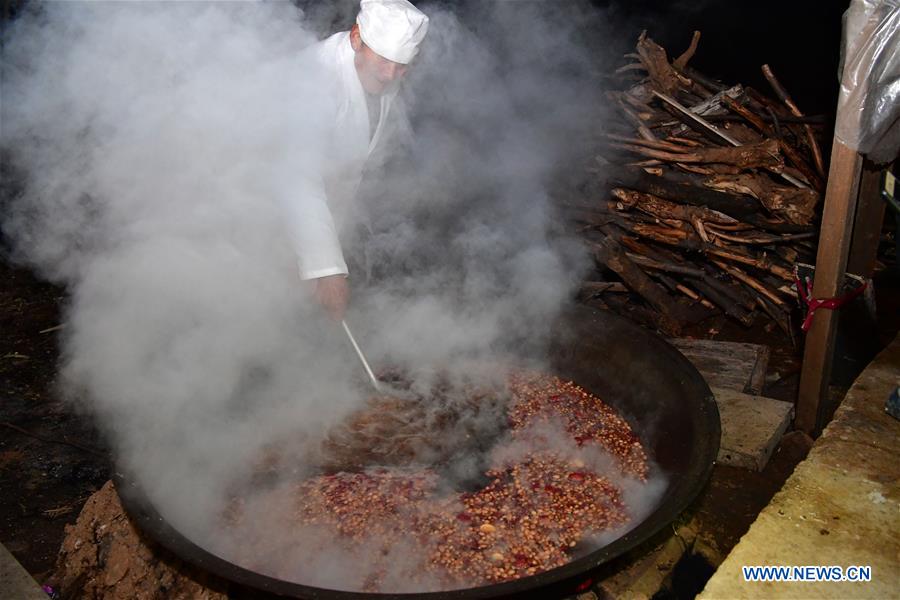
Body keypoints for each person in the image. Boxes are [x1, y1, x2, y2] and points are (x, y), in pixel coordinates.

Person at [283, 0, 429, 321]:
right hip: (258, 208)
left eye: (401, 64)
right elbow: (296, 178)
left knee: (294, 310)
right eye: (384, 59)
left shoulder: (381, 74)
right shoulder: (315, 77)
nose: (391, 74)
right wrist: (326, 268)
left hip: (316, 217)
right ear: (356, 38)